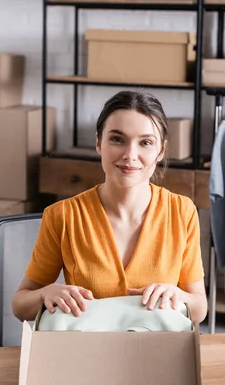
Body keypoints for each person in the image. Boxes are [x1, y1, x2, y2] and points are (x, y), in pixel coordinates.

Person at [12, 90, 207, 324]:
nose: (130, 155)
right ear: (98, 143)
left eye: (145, 142)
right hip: (88, 353)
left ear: (161, 151)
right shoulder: (63, 215)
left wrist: (180, 297)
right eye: (117, 139)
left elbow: (199, 309)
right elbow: (20, 306)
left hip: (155, 352)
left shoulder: (181, 212)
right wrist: (45, 294)